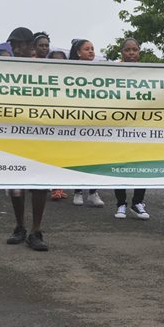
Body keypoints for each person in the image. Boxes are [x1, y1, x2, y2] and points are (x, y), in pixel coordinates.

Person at [5, 26, 49, 251]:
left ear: (30, 46)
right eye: (13, 45)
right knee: (16, 185)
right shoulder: (7, 69)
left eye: (19, 44)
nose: (15, 48)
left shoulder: (44, 69)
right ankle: (20, 226)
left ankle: (36, 230)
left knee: (39, 183)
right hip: (15, 133)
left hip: (39, 133)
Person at [113, 38, 149, 220]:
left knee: (142, 164)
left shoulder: (149, 72)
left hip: (140, 126)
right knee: (118, 163)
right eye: (128, 50)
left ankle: (138, 202)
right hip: (118, 125)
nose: (131, 53)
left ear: (139, 52)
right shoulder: (113, 71)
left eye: (135, 49)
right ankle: (121, 203)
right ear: (122, 52)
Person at [69, 39, 104, 207]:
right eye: (87, 49)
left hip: (95, 120)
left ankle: (93, 192)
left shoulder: (99, 71)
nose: (91, 51)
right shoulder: (71, 71)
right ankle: (77, 192)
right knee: (79, 157)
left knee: (95, 157)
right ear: (78, 53)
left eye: (92, 49)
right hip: (77, 120)